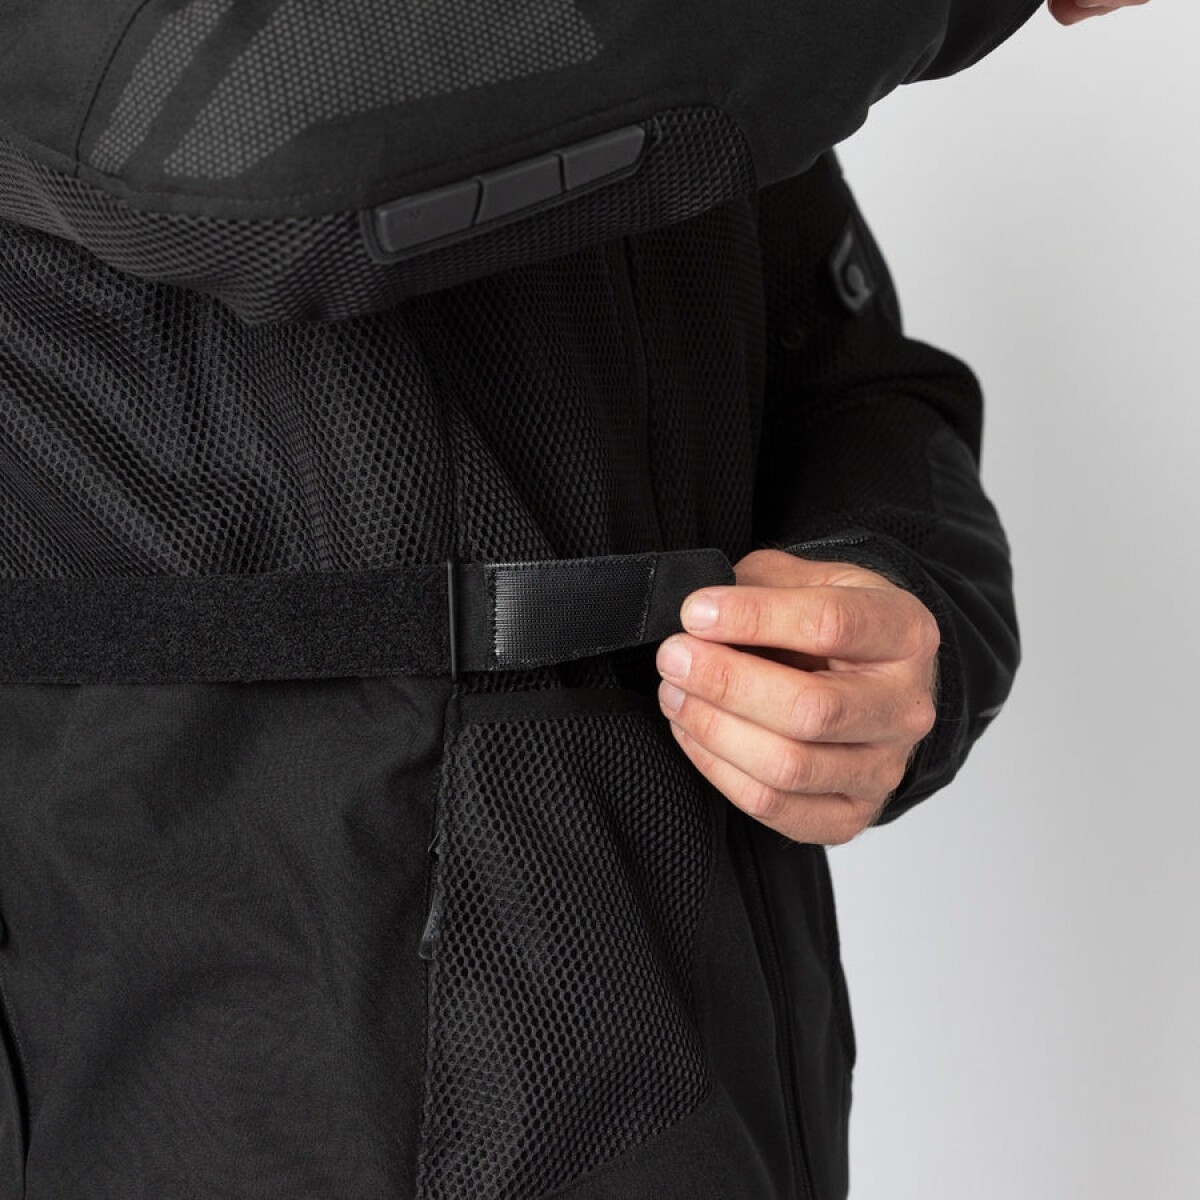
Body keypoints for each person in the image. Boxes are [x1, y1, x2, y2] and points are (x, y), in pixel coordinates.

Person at [0, 1, 1146, 1197]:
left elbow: (850, 383)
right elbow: (259, 142)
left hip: (724, 1079)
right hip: (240, 1058)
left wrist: (889, 599)